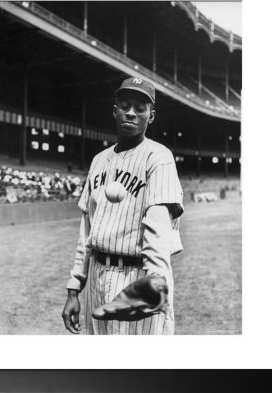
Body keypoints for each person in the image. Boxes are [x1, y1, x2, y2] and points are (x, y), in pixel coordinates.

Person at [62, 77, 184, 335]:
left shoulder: (158, 157)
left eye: (140, 108)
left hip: (138, 276)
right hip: (96, 276)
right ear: (114, 110)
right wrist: (74, 288)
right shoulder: (98, 161)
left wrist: (155, 282)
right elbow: (86, 231)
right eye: (125, 105)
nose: (131, 112)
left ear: (151, 116)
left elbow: (158, 227)